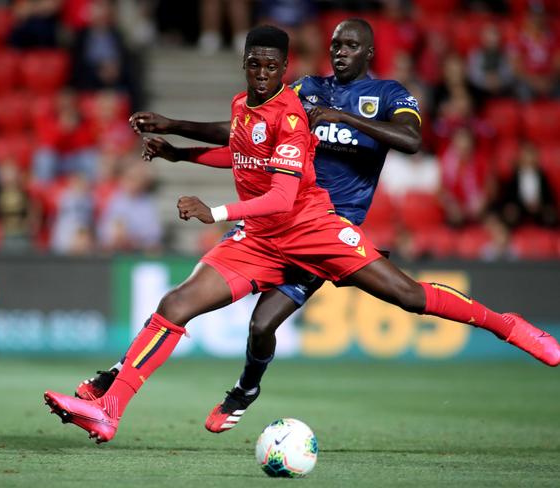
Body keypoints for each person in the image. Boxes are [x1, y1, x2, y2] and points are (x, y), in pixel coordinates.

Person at [43, 24, 559, 445]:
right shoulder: (301, 90)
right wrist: (177, 139)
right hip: (267, 231)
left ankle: (505, 325)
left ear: (370, 52)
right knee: (215, 313)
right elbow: (245, 136)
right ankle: (119, 404)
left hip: (321, 226)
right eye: (334, 43)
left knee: (408, 295)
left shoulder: (387, 95)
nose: (340, 52)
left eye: (351, 45)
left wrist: (339, 119)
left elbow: (411, 140)